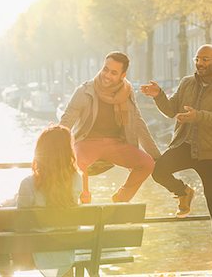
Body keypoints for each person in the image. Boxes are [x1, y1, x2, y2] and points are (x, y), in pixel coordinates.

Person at [141, 44, 212, 276]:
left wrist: (197, 117)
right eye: (197, 59)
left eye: (205, 60)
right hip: (185, 145)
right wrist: (159, 95)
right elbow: (171, 109)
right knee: (158, 171)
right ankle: (183, 191)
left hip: (211, 152)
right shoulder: (187, 82)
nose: (200, 63)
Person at [60, 51, 160, 204]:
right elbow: (67, 120)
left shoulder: (127, 92)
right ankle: (83, 204)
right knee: (77, 165)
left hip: (116, 144)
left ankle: (120, 200)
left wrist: (156, 156)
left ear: (122, 75)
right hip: (87, 142)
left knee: (147, 164)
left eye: (113, 72)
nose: (107, 75)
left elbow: (138, 123)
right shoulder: (84, 90)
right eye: (105, 69)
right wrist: (53, 147)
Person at [16, 124, 82, 277]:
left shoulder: (28, 183)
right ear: (68, 152)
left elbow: (20, 225)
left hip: (37, 253)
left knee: (3, 240)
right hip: (67, 251)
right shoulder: (76, 179)